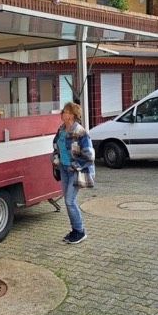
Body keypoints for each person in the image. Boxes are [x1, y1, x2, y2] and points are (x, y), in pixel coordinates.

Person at [52, 102, 95, 244]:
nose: (61, 113)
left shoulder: (80, 132)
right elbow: (56, 146)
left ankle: (80, 231)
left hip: (75, 171)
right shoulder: (62, 129)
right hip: (64, 169)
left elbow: (89, 156)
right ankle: (76, 230)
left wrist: (74, 166)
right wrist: (55, 159)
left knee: (69, 201)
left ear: (71, 115)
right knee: (69, 201)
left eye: (64, 111)